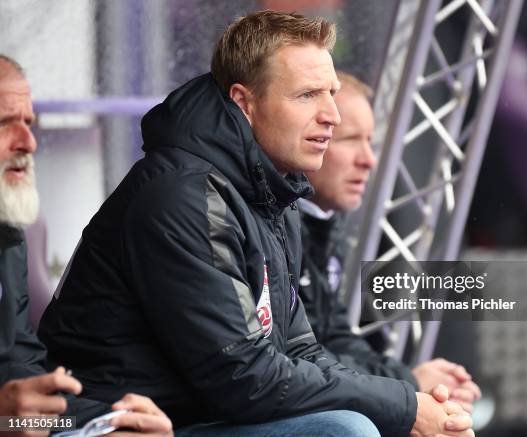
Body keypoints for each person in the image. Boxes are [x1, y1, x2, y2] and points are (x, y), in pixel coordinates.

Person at [39, 11, 474, 437]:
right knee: (344, 430)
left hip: (196, 414)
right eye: (307, 95)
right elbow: (243, 376)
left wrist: (404, 400)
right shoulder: (182, 194)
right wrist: (402, 403)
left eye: (331, 93)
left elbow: (302, 349)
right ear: (244, 103)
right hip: (116, 422)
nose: (331, 115)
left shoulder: (272, 193)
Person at [0, 54, 172, 436]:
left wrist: (110, 423)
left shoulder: (7, 232)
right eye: (4, 124)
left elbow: (23, 380)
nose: (28, 143)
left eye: (28, 123)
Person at [300, 71, 482, 413]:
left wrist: (405, 380)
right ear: (308, 139)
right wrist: (408, 385)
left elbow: (335, 336)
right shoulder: (276, 226)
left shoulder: (320, 227)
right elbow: (298, 358)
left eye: (371, 141)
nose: (368, 159)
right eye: (350, 139)